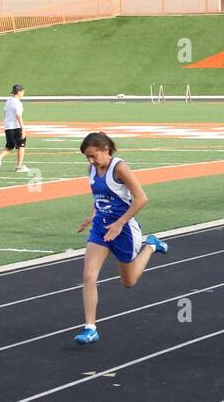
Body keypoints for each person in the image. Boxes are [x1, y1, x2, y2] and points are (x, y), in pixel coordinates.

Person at [72, 132, 168, 345]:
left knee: (129, 282)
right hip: (100, 230)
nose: (90, 161)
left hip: (123, 230)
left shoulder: (119, 168)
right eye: (87, 157)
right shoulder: (92, 169)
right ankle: (90, 328)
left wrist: (120, 223)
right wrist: (92, 214)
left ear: (106, 149)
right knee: (89, 275)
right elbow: (99, 197)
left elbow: (142, 198)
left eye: (93, 155)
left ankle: (150, 245)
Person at [0, 84, 29, 172]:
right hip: (15, 127)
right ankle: (19, 166)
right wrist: (23, 129)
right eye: (22, 91)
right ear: (19, 92)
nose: (23, 93)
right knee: (21, 145)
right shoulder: (17, 102)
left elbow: (4, 112)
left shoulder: (9, 100)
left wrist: (6, 124)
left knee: (10, 146)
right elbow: (18, 116)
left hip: (8, 127)